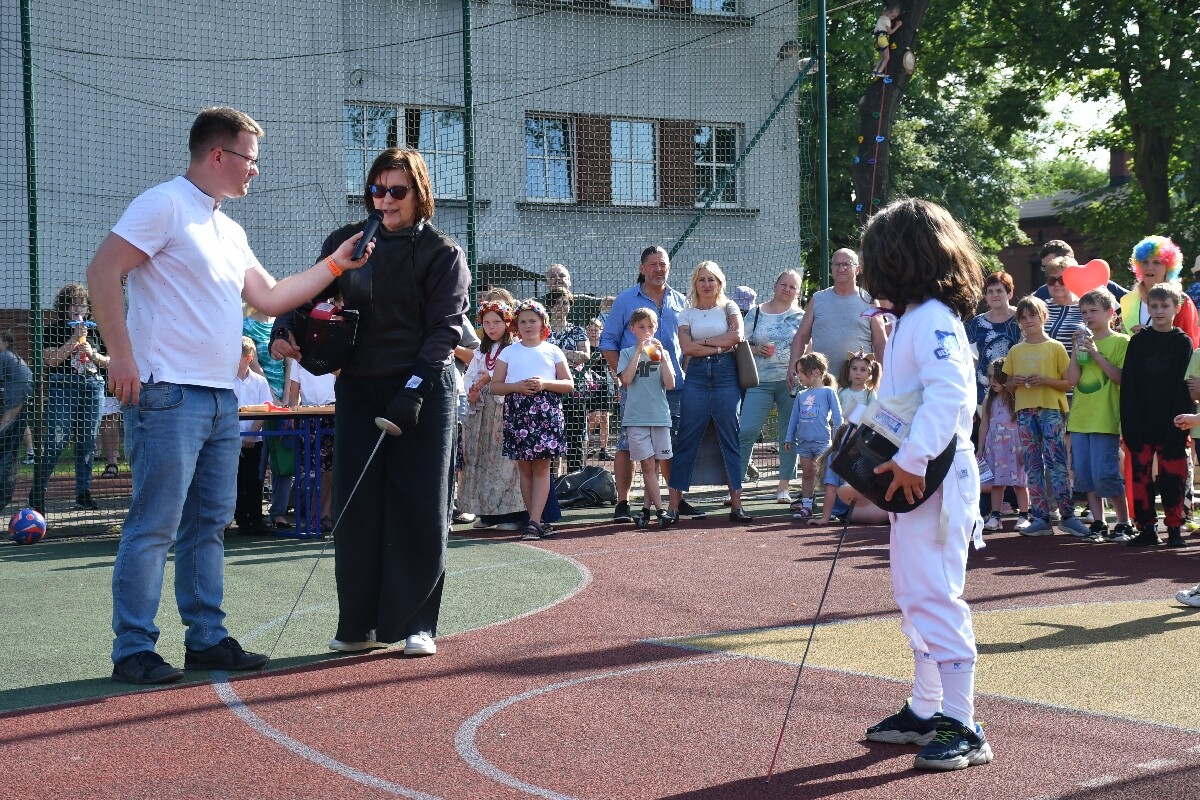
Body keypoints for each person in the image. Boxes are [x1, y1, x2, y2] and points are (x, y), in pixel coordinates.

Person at [89, 106, 375, 684]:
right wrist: (121, 356)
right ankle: (134, 649)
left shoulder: (228, 227)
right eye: (250, 158)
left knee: (210, 523)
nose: (255, 171)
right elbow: (102, 271)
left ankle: (207, 638)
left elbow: (269, 297)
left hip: (222, 399)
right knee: (155, 524)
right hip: (168, 392)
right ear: (218, 155)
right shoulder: (163, 204)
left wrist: (334, 265)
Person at [270, 147, 467, 657]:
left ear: (419, 194)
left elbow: (444, 330)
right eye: (377, 190)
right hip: (358, 386)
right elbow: (311, 291)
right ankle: (358, 624)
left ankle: (418, 623)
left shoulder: (442, 253)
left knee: (419, 507)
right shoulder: (348, 242)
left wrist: (414, 388)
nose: (385, 200)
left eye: (397, 190)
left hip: (423, 389)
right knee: (357, 509)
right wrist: (284, 327)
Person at [857, 198, 992, 772]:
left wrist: (911, 458)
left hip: (934, 476)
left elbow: (949, 396)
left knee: (934, 591)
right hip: (918, 478)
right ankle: (926, 707)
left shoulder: (933, 317)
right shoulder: (915, 318)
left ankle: (963, 723)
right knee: (914, 593)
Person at [601, 246, 706, 521]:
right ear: (642, 268)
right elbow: (607, 342)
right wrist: (624, 376)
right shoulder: (625, 301)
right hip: (635, 389)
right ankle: (623, 503)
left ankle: (675, 500)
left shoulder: (681, 301)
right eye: (653, 264)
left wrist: (680, 370)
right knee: (626, 446)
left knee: (670, 445)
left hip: (672, 389)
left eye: (663, 264)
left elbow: (687, 343)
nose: (659, 269)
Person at [665, 261, 751, 526]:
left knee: (730, 436)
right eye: (702, 279)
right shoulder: (686, 313)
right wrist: (716, 344)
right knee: (686, 438)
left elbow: (736, 337)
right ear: (695, 283)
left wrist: (703, 343)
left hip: (727, 374)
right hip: (697, 376)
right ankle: (673, 507)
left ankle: (737, 505)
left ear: (719, 283)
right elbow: (686, 349)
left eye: (711, 279)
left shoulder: (729, 307)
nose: (706, 284)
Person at [1005, 296, 1087, 536]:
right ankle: (1040, 516)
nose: (1028, 320)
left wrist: (1045, 381)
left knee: (1057, 463)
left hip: (1051, 410)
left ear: (1043, 317)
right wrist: (1015, 382)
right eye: (1023, 317)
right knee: (1032, 465)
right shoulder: (1016, 350)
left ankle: (1067, 516)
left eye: (1032, 315)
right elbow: (1008, 384)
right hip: (1024, 412)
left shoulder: (1055, 347)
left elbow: (1067, 383)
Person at [491, 300, 573, 540]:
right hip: (518, 413)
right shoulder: (509, 351)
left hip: (545, 413)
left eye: (533, 321)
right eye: (523, 321)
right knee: (524, 469)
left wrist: (545, 384)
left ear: (542, 324)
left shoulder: (552, 350)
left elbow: (568, 384)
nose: (528, 326)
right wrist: (516, 386)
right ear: (516, 325)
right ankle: (535, 520)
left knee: (542, 467)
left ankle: (534, 521)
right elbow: (496, 386)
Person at [26, 283, 108, 513]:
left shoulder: (97, 330)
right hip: (63, 386)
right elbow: (50, 360)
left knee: (87, 443)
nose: (78, 307)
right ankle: (38, 494)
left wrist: (93, 354)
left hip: (93, 387)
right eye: (73, 303)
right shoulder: (53, 329)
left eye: (82, 303)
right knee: (56, 442)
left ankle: (83, 493)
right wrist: (74, 340)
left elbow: (110, 360)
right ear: (64, 307)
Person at [1121, 284, 1192, 548]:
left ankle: (1174, 529)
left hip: (1173, 424)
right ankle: (1146, 528)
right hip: (1141, 423)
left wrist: (1182, 421)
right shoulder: (1138, 342)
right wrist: (1130, 423)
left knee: (1174, 478)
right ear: (1147, 308)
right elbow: (1130, 384)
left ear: (1177, 307)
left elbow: (1184, 386)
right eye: (1154, 306)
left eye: (1165, 306)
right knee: (1140, 477)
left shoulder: (1183, 342)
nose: (1159, 311)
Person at [1064, 288, 1132, 543]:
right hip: (1080, 419)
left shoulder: (1120, 342)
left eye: (1094, 310)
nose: (1088, 316)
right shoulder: (1081, 342)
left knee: (1106, 474)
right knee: (1085, 475)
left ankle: (1124, 522)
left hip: (1105, 419)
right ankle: (1099, 522)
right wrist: (1075, 350)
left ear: (1110, 313)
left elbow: (1120, 377)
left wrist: (1095, 353)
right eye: (1084, 312)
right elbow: (1072, 381)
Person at [737, 269, 805, 503]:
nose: (787, 289)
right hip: (759, 381)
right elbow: (740, 343)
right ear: (775, 285)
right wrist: (756, 350)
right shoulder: (756, 313)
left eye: (792, 287)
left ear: (798, 291)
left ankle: (783, 487)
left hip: (792, 383)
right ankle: (735, 486)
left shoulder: (801, 316)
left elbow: (809, 346)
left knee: (788, 436)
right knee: (747, 431)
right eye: (783, 284)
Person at [461, 302, 526, 531]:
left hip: (505, 409)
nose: (491, 327)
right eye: (486, 323)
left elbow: (513, 373)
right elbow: (470, 377)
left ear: (508, 323)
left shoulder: (515, 348)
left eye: (496, 322)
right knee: (484, 458)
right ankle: (487, 513)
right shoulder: (482, 351)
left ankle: (510, 513)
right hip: (484, 412)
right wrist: (472, 392)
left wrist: (489, 378)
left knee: (505, 462)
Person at [788, 248, 886, 389]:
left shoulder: (870, 302)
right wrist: (793, 367)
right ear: (832, 269)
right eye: (837, 264)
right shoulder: (818, 299)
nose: (841, 268)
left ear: (857, 269)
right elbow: (802, 337)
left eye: (847, 264)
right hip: (822, 382)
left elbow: (880, 342)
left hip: (858, 385)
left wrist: (883, 375)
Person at [617, 308, 676, 528]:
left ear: (656, 328)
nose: (646, 331)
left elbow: (670, 384)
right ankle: (662, 511)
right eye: (641, 327)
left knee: (656, 466)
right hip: (635, 418)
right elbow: (626, 379)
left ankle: (645, 510)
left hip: (660, 416)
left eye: (650, 327)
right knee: (647, 464)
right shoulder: (626, 353)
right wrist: (638, 352)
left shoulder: (663, 354)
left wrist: (662, 360)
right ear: (633, 329)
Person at [814, 350, 880, 525]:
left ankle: (859, 508)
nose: (858, 373)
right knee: (834, 475)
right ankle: (835, 511)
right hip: (842, 440)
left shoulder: (870, 395)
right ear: (848, 370)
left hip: (861, 443)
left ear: (870, 373)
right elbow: (836, 418)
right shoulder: (841, 393)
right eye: (855, 369)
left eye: (863, 370)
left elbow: (872, 419)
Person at [243, 304, 292, 529]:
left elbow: (289, 363)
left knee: (283, 458)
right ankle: (252, 513)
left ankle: (279, 512)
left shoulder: (280, 327)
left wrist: (288, 400)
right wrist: (271, 397)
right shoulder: (247, 325)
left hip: (283, 401)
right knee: (257, 462)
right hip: (259, 398)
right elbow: (256, 366)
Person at [784, 352, 842, 522]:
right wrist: (789, 438)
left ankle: (831, 509)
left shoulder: (828, 392)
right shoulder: (801, 395)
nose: (798, 376)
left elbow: (838, 419)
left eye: (801, 372)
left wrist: (838, 440)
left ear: (815, 372)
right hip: (803, 443)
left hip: (823, 442)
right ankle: (807, 507)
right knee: (807, 474)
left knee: (827, 476)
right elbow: (794, 419)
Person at [976, 359, 1029, 532]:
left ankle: (1024, 516)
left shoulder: (1016, 398)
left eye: (996, 376)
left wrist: (1024, 447)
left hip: (1015, 447)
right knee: (996, 483)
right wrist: (981, 448)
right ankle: (995, 516)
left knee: (1020, 483)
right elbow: (984, 425)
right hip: (995, 448)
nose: (992, 381)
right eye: (989, 376)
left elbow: (1023, 423)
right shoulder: (988, 400)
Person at [286, 358, 337, 533]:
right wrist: (293, 415)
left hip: (333, 412)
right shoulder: (298, 359)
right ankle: (316, 516)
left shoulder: (333, 352)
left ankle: (325, 515)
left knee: (331, 471)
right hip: (309, 415)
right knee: (316, 472)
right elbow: (294, 392)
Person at [547, 289, 591, 474]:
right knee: (550, 435)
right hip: (548, 386)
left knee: (575, 435)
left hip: (573, 387)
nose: (561, 307)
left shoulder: (577, 330)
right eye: (557, 303)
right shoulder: (543, 330)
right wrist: (570, 356)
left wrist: (558, 353)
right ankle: (551, 481)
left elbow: (585, 356)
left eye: (565, 303)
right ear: (550, 306)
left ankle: (575, 479)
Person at [232, 336, 273, 536]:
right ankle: (240, 519)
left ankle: (256, 519)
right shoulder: (225, 380)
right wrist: (235, 439)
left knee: (254, 480)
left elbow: (265, 408)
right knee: (234, 481)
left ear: (248, 358)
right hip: (230, 440)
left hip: (253, 440)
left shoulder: (260, 381)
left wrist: (251, 434)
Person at [964, 271, 1021, 407]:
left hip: (1013, 387)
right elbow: (962, 347)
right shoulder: (977, 322)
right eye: (990, 291)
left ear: (1010, 293)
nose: (994, 295)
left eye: (999, 291)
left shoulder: (1021, 318)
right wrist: (974, 365)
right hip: (984, 388)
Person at [0, 332, 33, 514]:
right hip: (23, 389)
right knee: (21, 423)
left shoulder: (4, 355)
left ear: (5, 342)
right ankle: (30, 452)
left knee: (8, 419)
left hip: (19, 390)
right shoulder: (12, 356)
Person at [583, 317, 614, 460]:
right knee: (593, 416)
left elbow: (611, 367)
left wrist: (617, 384)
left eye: (596, 329)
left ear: (601, 331)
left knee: (604, 417)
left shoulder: (605, 347)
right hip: (589, 385)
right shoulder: (585, 347)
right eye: (590, 330)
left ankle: (603, 450)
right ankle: (584, 443)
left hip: (603, 384)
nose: (593, 332)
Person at [871, 3, 903, 77]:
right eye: (892, 16)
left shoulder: (881, 18)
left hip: (877, 40)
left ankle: (875, 70)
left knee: (881, 57)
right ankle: (880, 71)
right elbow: (890, 32)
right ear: (887, 12)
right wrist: (897, 26)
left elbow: (883, 12)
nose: (892, 18)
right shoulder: (887, 20)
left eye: (894, 17)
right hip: (882, 39)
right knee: (887, 57)